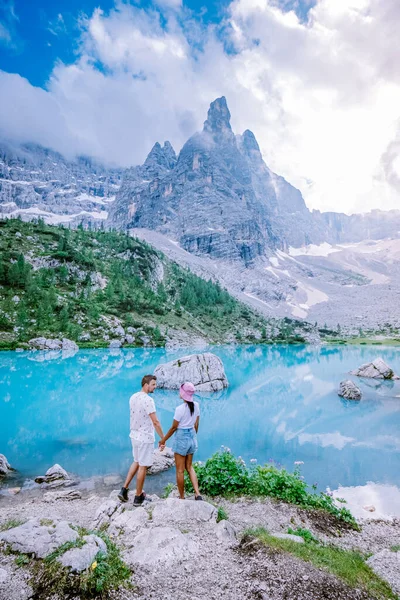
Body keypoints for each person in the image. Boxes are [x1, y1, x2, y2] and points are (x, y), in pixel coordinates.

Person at [118, 374, 165, 506]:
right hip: (145, 437)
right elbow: (155, 421)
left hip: (134, 435)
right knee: (143, 467)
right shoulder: (148, 400)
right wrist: (163, 438)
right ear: (146, 385)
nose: (155, 387)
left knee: (137, 461)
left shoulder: (133, 397)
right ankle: (138, 497)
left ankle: (124, 490)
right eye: (153, 384)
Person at [159, 381, 203, 501]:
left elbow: (174, 428)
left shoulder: (180, 409)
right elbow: (196, 423)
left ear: (183, 394)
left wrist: (163, 440)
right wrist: (194, 436)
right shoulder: (197, 405)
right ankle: (197, 494)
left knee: (180, 470)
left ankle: (182, 497)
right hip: (192, 436)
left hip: (182, 438)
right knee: (189, 467)